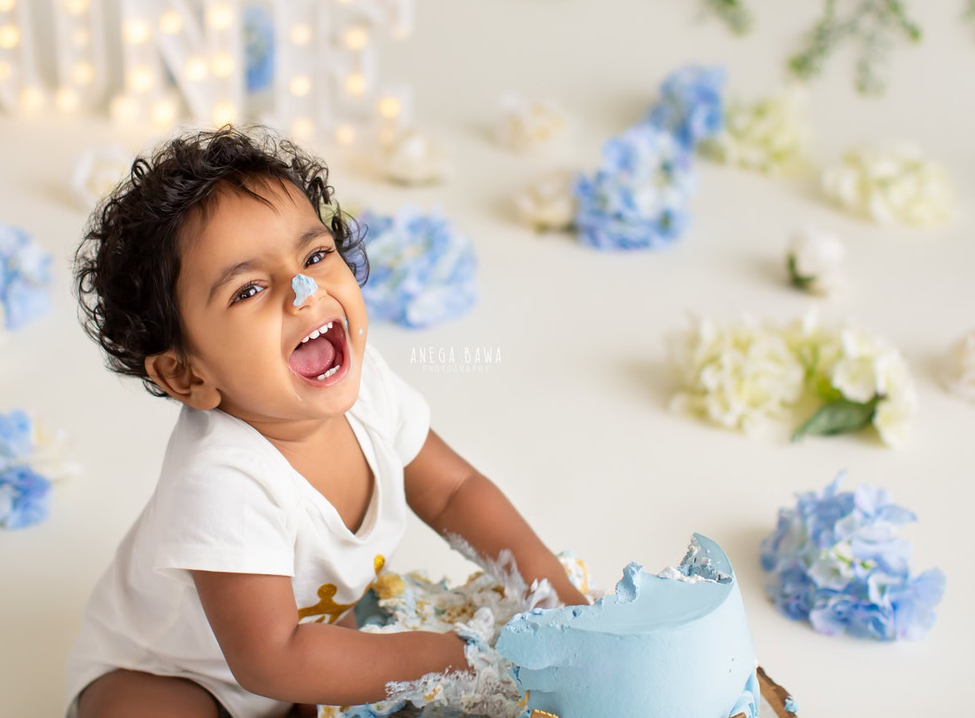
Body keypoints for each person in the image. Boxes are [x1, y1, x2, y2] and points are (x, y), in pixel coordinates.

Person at [64, 126, 587, 718]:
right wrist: (453, 658)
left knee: (382, 688)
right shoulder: (222, 480)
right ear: (188, 377)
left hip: (304, 655)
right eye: (249, 289)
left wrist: (555, 595)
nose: (303, 291)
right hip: (175, 673)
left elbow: (453, 492)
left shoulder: (369, 391)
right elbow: (270, 657)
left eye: (314, 255)